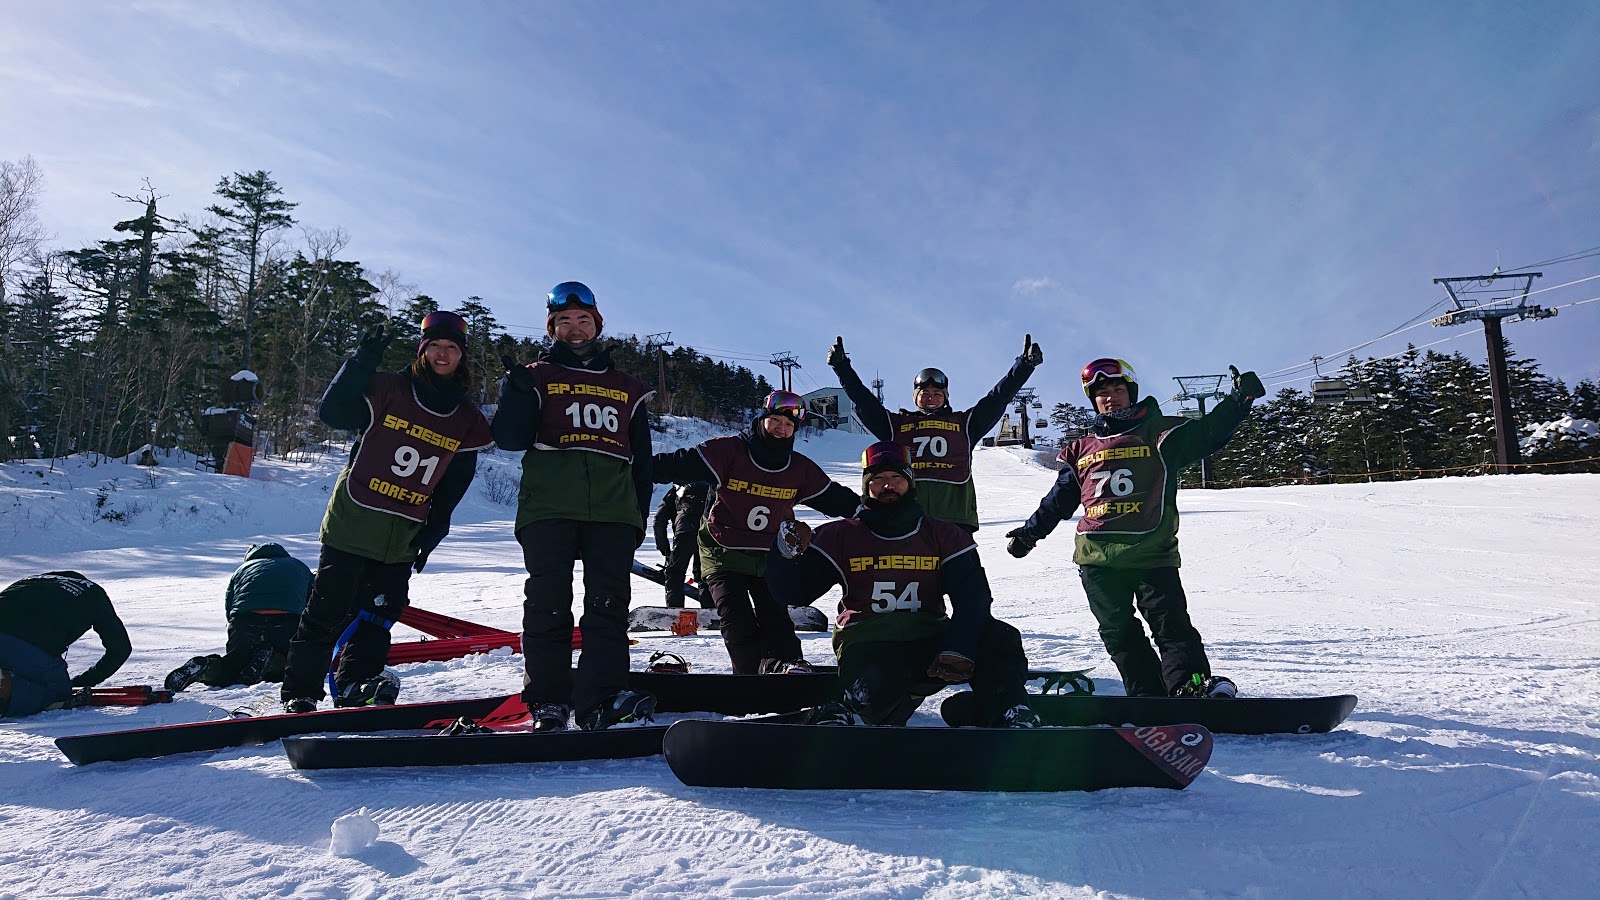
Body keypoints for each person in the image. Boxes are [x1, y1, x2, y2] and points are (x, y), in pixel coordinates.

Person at [1005, 359, 1265, 698]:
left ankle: (1190, 687)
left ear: (1131, 393)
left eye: (1118, 389)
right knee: (1118, 633)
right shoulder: (1080, 449)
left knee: (1170, 626)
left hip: (1151, 553)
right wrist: (1029, 534)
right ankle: (1146, 695)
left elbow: (1207, 434)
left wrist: (1239, 401)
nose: (1110, 397)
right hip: (1096, 557)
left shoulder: (1160, 434)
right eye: (1102, 393)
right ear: (1093, 400)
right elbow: (1059, 500)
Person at [280, 310, 492, 714]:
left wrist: (435, 529)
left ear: (462, 355)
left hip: (403, 533)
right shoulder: (390, 388)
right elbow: (333, 413)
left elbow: (454, 483)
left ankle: (357, 684)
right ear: (422, 350)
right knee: (327, 611)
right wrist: (361, 361)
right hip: (354, 519)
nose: (442, 354)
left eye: (451, 348)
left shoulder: (466, 418)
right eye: (435, 346)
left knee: (378, 615)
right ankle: (300, 693)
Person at [765, 442, 1039, 727]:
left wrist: (958, 646)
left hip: (931, 643)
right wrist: (784, 554)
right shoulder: (840, 535)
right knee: (875, 699)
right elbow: (793, 593)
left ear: (910, 482)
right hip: (869, 643)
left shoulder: (944, 535)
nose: (888, 486)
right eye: (879, 479)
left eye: (897, 478)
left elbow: (974, 599)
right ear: (866, 486)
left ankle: (1009, 710)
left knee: (999, 637)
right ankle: (855, 709)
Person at [492, 281, 657, 732]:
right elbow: (508, 440)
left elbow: (642, 462)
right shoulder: (534, 376)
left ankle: (602, 700)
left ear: (597, 325)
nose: (575, 328)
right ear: (552, 328)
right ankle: (548, 701)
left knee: (607, 608)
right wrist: (517, 395)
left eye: (583, 319)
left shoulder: (628, 388)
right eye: (563, 321)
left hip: (613, 514)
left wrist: (637, 517)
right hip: (549, 509)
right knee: (547, 605)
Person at [652, 391, 861, 674]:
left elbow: (835, 498)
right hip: (723, 550)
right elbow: (679, 463)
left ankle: (788, 669)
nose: (781, 428)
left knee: (777, 619)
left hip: (768, 555)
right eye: (775, 421)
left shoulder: (798, 468)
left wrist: (870, 512)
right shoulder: (730, 451)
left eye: (788, 425)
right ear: (762, 419)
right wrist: (637, 466)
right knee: (737, 619)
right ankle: (749, 677)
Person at [828, 334, 1043, 532]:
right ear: (916, 397)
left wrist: (1024, 366)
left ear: (945, 397)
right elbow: (865, 402)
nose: (931, 397)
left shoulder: (965, 424)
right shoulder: (896, 425)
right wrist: (842, 367)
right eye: (925, 393)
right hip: (908, 520)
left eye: (937, 393)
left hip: (955, 518)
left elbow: (997, 398)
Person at [165, 542, 312, 691]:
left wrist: (238, 630)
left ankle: (206, 668)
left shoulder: (243, 569)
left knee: (233, 666)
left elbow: (230, 603)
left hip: (245, 620)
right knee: (293, 666)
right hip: (287, 620)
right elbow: (315, 600)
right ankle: (272, 660)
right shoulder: (298, 566)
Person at [0, 572, 130, 718]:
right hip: (29, 645)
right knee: (58, 693)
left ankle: (6, 680)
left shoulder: (30, 580)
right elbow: (120, 649)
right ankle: (5, 694)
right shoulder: (93, 594)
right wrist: (84, 682)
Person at [652, 481, 709, 607]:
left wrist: (665, 549)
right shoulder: (709, 487)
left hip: (685, 533)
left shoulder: (676, 490)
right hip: (707, 534)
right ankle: (710, 610)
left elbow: (659, 520)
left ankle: (675, 609)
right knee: (705, 574)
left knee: (674, 573)